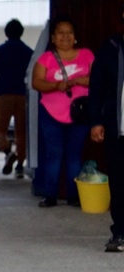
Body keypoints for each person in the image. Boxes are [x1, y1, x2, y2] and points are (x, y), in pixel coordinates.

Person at [32, 15, 94, 208]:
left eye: (69, 32)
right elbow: (36, 83)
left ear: (75, 36)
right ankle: (50, 195)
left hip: (80, 113)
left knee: (75, 155)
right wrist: (56, 85)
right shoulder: (45, 58)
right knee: (54, 155)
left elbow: (98, 79)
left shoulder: (87, 55)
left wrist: (78, 81)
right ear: (53, 37)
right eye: (61, 33)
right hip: (51, 114)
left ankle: (73, 196)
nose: (65, 36)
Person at [88, 5, 124, 252]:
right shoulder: (110, 48)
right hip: (116, 128)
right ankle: (119, 233)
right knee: (119, 182)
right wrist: (96, 121)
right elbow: (96, 88)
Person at [0, 19, 33, 178]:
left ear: (6, 33)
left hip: (4, 93)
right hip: (23, 95)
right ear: (21, 32)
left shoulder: (0, 51)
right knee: (21, 132)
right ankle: (20, 165)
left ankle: (8, 152)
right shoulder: (28, 52)